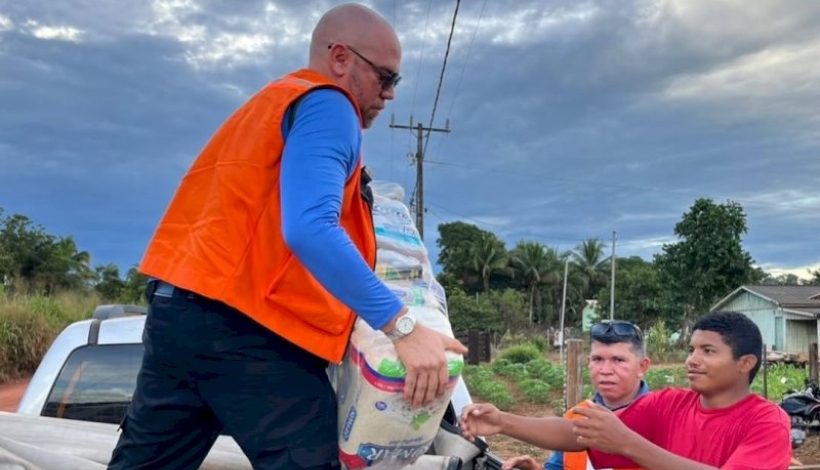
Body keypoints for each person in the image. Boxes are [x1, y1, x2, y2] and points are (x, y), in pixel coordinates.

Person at [106, 3, 466, 470]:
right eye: (385, 78)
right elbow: (311, 228)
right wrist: (402, 328)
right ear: (340, 58)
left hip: (175, 315)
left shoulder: (265, 109)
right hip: (245, 328)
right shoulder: (331, 105)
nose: (390, 94)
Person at [462, 311, 791, 470]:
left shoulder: (766, 421)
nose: (692, 360)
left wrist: (628, 443)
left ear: (745, 362)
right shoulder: (669, 404)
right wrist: (505, 422)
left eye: (708, 351)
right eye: (691, 349)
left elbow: (620, 439)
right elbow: (582, 432)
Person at [504, 320, 651, 470]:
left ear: (642, 366)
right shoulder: (575, 416)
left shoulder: (666, 420)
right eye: (597, 359)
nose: (605, 370)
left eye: (618, 360)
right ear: (588, 362)